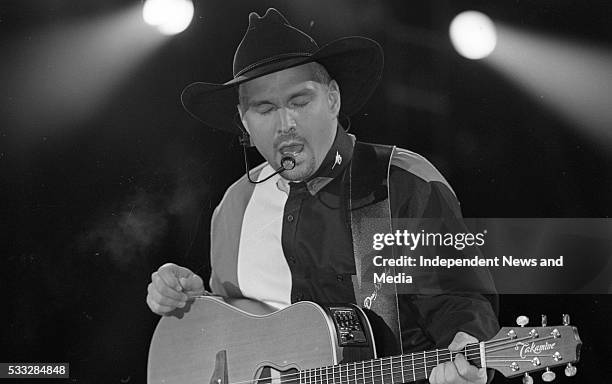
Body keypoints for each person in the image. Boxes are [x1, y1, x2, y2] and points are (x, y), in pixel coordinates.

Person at [146, 8, 499, 384]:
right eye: (264, 109)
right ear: (244, 123)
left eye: (300, 101)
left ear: (333, 99)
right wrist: (193, 302)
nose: (286, 124)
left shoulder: (401, 182)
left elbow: (460, 300)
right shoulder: (235, 205)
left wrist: (469, 349)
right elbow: (232, 327)